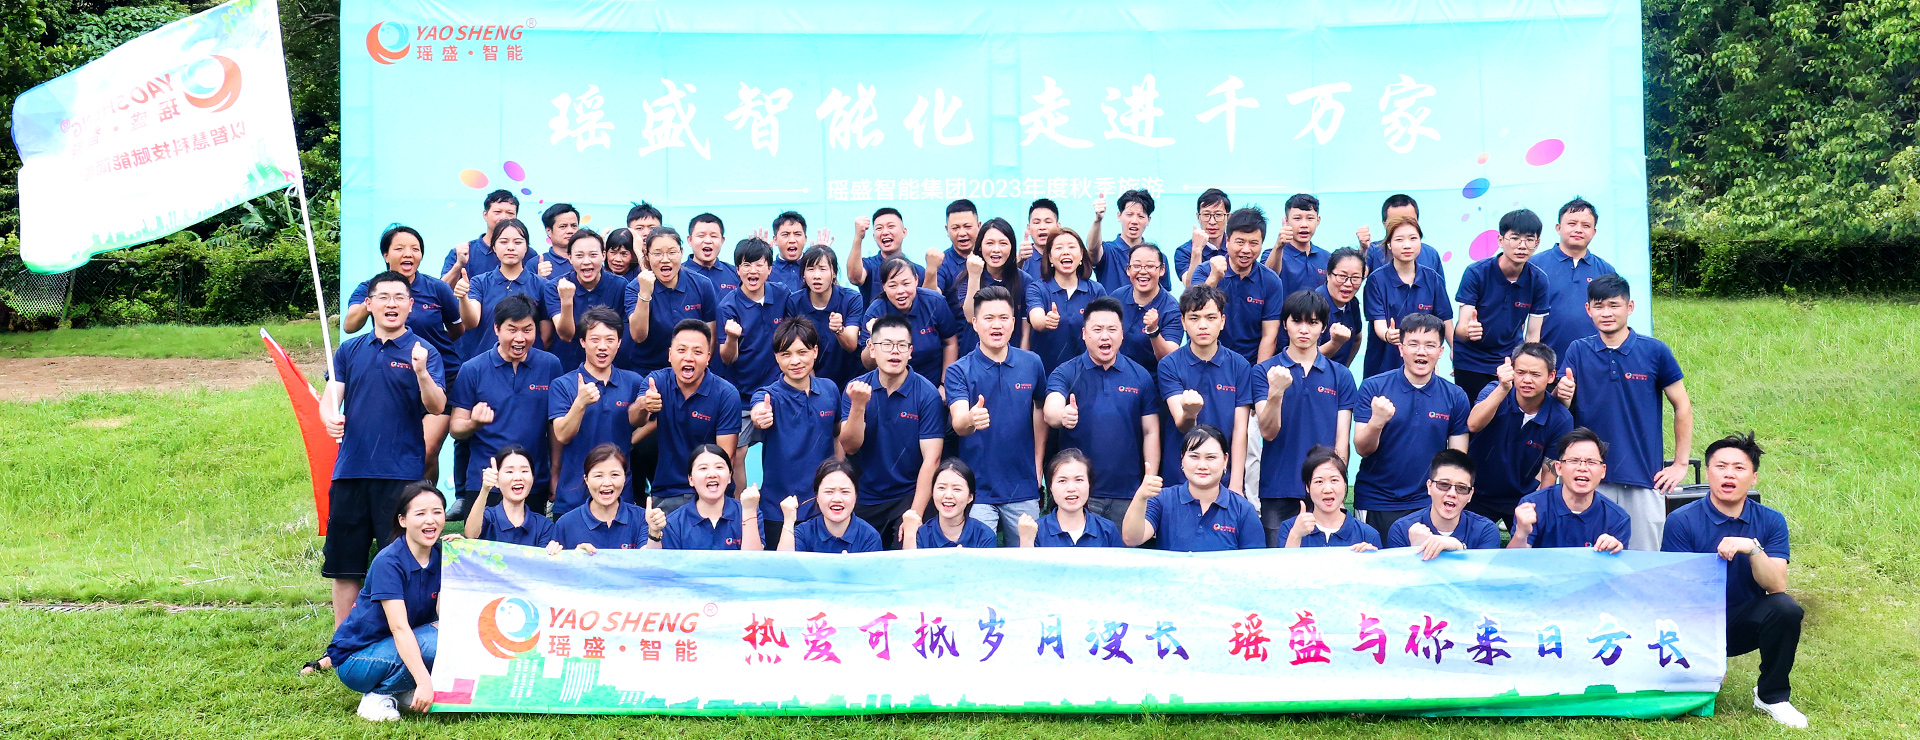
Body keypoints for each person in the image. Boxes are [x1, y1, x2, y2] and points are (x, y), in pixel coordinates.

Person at [319, 270, 446, 626]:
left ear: (411, 305)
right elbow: (330, 399)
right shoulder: (350, 350)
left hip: (400, 476)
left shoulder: (424, 351)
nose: (391, 304)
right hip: (351, 472)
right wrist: (330, 418)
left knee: (401, 560)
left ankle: (399, 634)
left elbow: (437, 405)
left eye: (399, 298)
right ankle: (342, 642)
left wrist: (421, 372)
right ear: (369, 304)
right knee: (345, 565)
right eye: (383, 297)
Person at [1661, 433, 1807, 728]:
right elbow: (1677, 591)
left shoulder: (1771, 520)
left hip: (1743, 619)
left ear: (1753, 478)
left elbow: (1776, 586)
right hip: (1695, 622)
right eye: (1721, 466)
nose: (1729, 474)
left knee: (1786, 608)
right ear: (1708, 473)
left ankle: (1772, 696)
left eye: (1739, 468)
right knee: (1682, 699)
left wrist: (1753, 549)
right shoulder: (1681, 521)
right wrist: (1712, 654)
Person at [1561, 274, 1693, 550]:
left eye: (1614, 305)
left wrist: (1680, 464)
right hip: (1590, 479)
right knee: (1589, 561)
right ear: (1588, 309)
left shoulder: (1655, 351)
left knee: (1644, 563)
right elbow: (1562, 406)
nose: (1606, 313)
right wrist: (1562, 394)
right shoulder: (1577, 350)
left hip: (1644, 478)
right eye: (1598, 306)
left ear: (1629, 307)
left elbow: (1682, 405)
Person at [345, 226, 463, 483]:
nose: (408, 254)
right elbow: (350, 325)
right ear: (386, 255)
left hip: (439, 378)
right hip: (394, 378)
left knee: (427, 451)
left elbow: (457, 329)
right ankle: (398, 502)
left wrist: (432, 353)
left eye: (415, 249)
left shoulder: (437, 289)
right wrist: (377, 298)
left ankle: (426, 502)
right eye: (399, 248)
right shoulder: (369, 289)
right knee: (396, 449)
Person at [326, 482, 445, 721]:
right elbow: (399, 628)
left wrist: (459, 555)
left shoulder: (441, 555)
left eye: (437, 512)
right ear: (403, 520)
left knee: (452, 634)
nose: (430, 520)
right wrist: (424, 681)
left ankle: (401, 689)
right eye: (420, 514)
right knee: (440, 641)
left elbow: (445, 613)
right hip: (357, 659)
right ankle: (377, 696)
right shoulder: (388, 562)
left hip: (395, 646)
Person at [1253, 290, 1359, 546]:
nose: (1304, 330)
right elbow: (1268, 432)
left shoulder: (1341, 376)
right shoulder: (1263, 371)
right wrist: (1276, 392)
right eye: (1296, 321)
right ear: (1285, 324)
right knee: (1281, 561)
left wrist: (1336, 485)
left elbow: (1342, 439)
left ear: (1323, 327)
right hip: (1278, 488)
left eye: (1312, 322)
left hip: (1325, 490)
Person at [1043, 296, 1159, 523]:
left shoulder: (1140, 376)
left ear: (1122, 334)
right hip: (1080, 494)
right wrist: (1062, 415)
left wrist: (1149, 479)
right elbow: (1050, 410)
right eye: (1097, 329)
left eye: (1112, 329)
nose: (1105, 336)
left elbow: (1150, 431)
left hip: (1129, 494)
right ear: (1084, 333)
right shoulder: (1065, 372)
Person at [946, 286, 1048, 543]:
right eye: (988, 318)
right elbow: (959, 423)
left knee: (1027, 558)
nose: (996, 325)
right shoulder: (959, 370)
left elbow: (1040, 409)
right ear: (974, 323)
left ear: (1013, 322)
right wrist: (970, 419)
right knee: (977, 560)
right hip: (977, 490)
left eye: (1003, 318)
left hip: (1023, 486)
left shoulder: (1032, 363)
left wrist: (1037, 463)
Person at [1353, 313, 1470, 533]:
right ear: (1401, 348)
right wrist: (1377, 422)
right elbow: (1362, 448)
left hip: (1428, 503)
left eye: (1430, 345)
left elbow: (1457, 460)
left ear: (1440, 351)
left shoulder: (1455, 396)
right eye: (1413, 344)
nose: (1421, 352)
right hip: (1376, 500)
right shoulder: (1373, 387)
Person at [838, 314, 947, 548]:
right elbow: (850, 446)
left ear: (911, 351)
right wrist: (858, 406)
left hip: (908, 494)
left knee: (907, 556)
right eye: (886, 344)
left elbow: (932, 459)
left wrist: (914, 515)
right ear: (872, 348)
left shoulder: (927, 394)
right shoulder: (856, 389)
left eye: (902, 345)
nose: (894, 352)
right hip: (865, 494)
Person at [449, 295, 563, 518]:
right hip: (485, 481)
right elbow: (456, 427)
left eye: (527, 330)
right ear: (496, 329)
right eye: (512, 329)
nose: (520, 338)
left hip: (532, 481)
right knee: (481, 540)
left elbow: (554, 427)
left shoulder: (550, 365)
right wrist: (473, 423)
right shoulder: (472, 369)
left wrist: (555, 472)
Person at [746, 319, 842, 546]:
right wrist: (759, 415)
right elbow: (758, 409)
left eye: (802, 352)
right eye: (786, 354)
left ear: (815, 351)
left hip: (823, 508)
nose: (795, 361)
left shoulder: (830, 389)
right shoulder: (768, 395)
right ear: (776, 358)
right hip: (778, 510)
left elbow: (837, 435)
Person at [547, 307, 645, 518]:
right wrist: (580, 403)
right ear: (582, 341)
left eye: (610, 340)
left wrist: (631, 436)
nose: (602, 346)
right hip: (573, 498)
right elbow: (562, 435)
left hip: (620, 497)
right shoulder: (563, 385)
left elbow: (645, 422)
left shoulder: (633, 382)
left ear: (619, 342)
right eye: (595, 339)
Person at [635, 320, 741, 514]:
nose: (689, 357)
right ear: (670, 355)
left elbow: (726, 459)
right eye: (681, 350)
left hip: (711, 494)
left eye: (697, 352)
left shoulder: (726, 394)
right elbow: (635, 420)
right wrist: (643, 405)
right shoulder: (656, 382)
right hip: (666, 492)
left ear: (708, 358)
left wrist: (706, 500)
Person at [1465, 343, 1574, 529]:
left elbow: (1549, 472)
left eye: (1535, 374)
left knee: (1533, 542)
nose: (1527, 380)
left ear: (1551, 376)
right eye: (1520, 372)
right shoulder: (1494, 390)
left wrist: (1542, 509)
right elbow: (1473, 424)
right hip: (1476, 492)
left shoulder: (1560, 418)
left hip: (1522, 498)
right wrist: (1502, 388)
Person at [1155, 284, 1252, 491]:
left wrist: (1236, 484)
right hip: (1179, 480)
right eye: (1194, 318)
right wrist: (1190, 413)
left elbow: (1240, 429)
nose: (1202, 325)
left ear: (1222, 321)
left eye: (1210, 317)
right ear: (1183, 322)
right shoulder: (1169, 365)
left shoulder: (1240, 366)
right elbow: (1182, 424)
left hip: (1223, 480)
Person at [1453, 209, 1553, 400]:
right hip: (1470, 361)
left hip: (1508, 361)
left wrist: (1527, 369)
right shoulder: (1476, 273)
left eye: (1529, 239)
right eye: (1515, 238)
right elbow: (1461, 328)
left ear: (1537, 243)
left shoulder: (1539, 280)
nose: (1522, 245)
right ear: (1501, 240)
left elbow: (1532, 336)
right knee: (1472, 414)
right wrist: (1469, 330)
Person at [1121, 425, 1263, 551]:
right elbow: (1131, 539)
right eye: (1194, 456)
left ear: (1225, 460)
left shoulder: (1243, 509)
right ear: (1182, 458)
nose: (1202, 466)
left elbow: (1254, 562)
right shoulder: (1163, 500)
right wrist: (1140, 496)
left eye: (1211, 457)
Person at [719, 237, 789, 475]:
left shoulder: (782, 295)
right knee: (737, 454)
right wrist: (732, 338)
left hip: (779, 392)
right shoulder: (728, 307)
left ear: (770, 269)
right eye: (746, 265)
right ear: (737, 270)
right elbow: (727, 358)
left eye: (759, 264)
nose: (753, 270)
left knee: (783, 450)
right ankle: (741, 499)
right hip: (742, 396)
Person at [1507, 427, 1629, 552]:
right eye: (1574, 461)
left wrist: (1612, 550)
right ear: (1558, 468)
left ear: (1603, 471)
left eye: (1591, 462)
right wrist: (1521, 534)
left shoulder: (1617, 518)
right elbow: (1514, 561)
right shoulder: (1533, 506)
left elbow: (1618, 564)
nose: (1582, 468)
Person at [1190, 206, 1284, 364]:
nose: (1246, 250)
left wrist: (1258, 373)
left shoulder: (1271, 281)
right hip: (1206, 361)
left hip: (1250, 365)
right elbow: (1193, 313)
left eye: (1254, 243)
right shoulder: (1205, 271)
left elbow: (1269, 336)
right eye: (1240, 242)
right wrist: (1213, 279)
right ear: (1227, 241)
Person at [1362, 215, 1452, 379]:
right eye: (1399, 239)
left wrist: (1456, 352)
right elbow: (1378, 324)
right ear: (1389, 244)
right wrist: (1388, 335)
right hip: (1384, 366)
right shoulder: (1376, 280)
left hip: (1423, 365)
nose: (1407, 245)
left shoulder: (1433, 279)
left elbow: (1445, 321)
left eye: (1413, 238)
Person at [624, 226, 719, 375]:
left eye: (672, 252)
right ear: (647, 256)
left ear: (681, 252)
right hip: (648, 371)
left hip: (692, 370)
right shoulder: (634, 287)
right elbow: (638, 336)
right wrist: (645, 294)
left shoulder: (702, 284)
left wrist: (695, 370)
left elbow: (710, 336)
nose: (665, 259)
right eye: (657, 253)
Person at [458, 218, 552, 359]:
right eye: (503, 242)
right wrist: (463, 298)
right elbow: (471, 322)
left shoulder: (541, 285)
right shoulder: (480, 282)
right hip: (487, 363)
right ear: (494, 247)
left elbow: (546, 336)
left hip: (529, 364)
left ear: (527, 248)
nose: (511, 247)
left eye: (518, 242)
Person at [859, 256, 960, 387]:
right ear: (883, 286)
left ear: (916, 280)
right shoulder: (875, 311)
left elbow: (950, 343)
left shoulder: (935, 301)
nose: (900, 291)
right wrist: (873, 336)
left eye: (906, 284)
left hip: (933, 384)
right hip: (891, 386)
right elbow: (868, 364)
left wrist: (944, 384)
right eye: (893, 286)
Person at [1383, 449, 1502, 557]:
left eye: (1461, 488)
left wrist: (1460, 548)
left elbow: (1483, 573)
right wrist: (1416, 550)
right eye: (1444, 485)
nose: (1452, 493)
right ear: (1429, 486)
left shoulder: (1485, 530)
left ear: (1470, 494)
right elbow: (1398, 573)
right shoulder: (1402, 529)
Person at [1536, 197, 1616, 358]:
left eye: (1586, 225)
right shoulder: (1535, 266)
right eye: (1572, 224)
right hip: (1545, 361)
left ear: (1594, 232)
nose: (1578, 230)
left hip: (1594, 360)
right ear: (1558, 228)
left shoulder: (1606, 271)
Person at [1024, 225, 1109, 373]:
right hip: (1047, 376)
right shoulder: (1037, 289)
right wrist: (1046, 321)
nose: (1066, 252)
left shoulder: (1096, 290)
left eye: (1071, 247)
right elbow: (1036, 320)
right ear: (1050, 257)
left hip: (1087, 375)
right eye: (1059, 248)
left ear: (1081, 255)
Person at [545, 229, 628, 374]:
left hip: (609, 368)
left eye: (593, 255)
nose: (586, 261)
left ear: (603, 255)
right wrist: (566, 301)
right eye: (579, 255)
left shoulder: (620, 285)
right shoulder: (555, 287)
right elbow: (566, 335)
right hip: (567, 367)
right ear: (570, 258)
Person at [784, 244, 864, 387]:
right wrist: (816, 387)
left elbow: (851, 345)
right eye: (810, 269)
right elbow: (797, 348)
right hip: (812, 381)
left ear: (834, 273)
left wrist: (839, 330)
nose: (816, 276)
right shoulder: (794, 302)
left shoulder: (851, 299)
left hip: (850, 380)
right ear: (803, 274)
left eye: (822, 269)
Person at [651, 445, 756, 550]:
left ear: (729, 476)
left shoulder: (748, 512)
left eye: (719, 467)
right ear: (691, 479)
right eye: (703, 468)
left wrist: (749, 512)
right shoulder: (674, 522)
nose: (712, 474)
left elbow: (754, 558)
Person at [550, 443, 650, 551]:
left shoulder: (641, 518)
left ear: (625, 478)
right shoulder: (566, 524)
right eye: (598, 476)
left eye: (615, 475)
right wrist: (577, 557)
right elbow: (557, 560)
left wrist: (654, 533)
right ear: (586, 480)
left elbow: (650, 558)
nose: (607, 483)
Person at [1279, 445, 1381, 550]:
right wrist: (1296, 535)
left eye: (1334, 480)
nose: (1327, 490)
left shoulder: (1367, 534)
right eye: (1319, 481)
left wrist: (1368, 557)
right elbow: (1284, 561)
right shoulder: (1290, 528)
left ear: (1345, 485)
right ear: (1307, 487)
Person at [953, 217, 1028, 358]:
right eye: (990, 243)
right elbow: (970, 316)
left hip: (1011, 357)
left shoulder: (1023, 280)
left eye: (1003, 243)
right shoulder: (967, 276)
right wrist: (974, 276)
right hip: (974, 357)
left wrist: (1023, 359)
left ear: (1012, 247)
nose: (996, 250)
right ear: (980, 246)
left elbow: (1025, 331)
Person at [776, 459, 885, 553]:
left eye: (845, 492)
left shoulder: (869, 537)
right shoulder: (803, 533)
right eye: (829, 491)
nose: (837, 499)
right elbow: (785, 566)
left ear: (856, 496)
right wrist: (788, 521)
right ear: (817, 497)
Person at [1023, 448, 1124, 548]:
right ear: (1050, 487)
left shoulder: (1107, 530)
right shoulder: (1036, 530)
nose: (1071, 488)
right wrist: (1026, 541)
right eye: (1062, 481)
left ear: (1089, 484)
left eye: (1079, 480)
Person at [461, 445, 558, 547]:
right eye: (509, 472)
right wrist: (485, 489)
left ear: (532, 479)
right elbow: (471, 535)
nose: (518, 477)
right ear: (497, 480)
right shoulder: (487, 517)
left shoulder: (544, 526)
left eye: (524, 471)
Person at [440, 189, 519, 304]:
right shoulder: (464, 251)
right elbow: (441, 293)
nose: (504, 217)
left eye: (510, 213)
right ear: (485, 215)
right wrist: (459, 265)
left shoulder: (526, 253)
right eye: (497, 212)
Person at [901, 458, 999, 548]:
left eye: (956, 489)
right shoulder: (922, 534)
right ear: (933, 493)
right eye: (941, 488)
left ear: (970, 497)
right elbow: (911, 561)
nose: (948, 495)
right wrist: (909, 535)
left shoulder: (984, 535)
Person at [1116, 243, 1182, 375]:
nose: (1142, 271)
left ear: (1162, 270)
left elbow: (1169, 358)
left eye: (1150, 266)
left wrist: (1154, 331)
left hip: (1153, 381)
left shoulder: (1172, 309)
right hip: (1116, 376)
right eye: (1136, 266)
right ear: (1128, 269)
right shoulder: (1117, 297)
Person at [1086, 188, 1169, 293]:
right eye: (1129, 215)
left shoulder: (1157, 258)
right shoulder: (1108, 251)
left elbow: (1164, 295)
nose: (1134, 221)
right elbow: (1093, 249)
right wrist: (1098, 220)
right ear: (1119, 216)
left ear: (1148, 220)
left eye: (1141, 216)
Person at [1359, 193, 1447, 286]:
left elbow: (1440, 290)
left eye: (1410, 221)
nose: (1404, 226)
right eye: (1396, 222)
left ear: (1417, 222)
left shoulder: (1431, 254)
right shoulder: (1373, 250)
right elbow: (1357, 277)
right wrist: (1363, 250)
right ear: (1384, 224)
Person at [848, 207, 923, 305]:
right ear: (874, 236)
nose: (885, 232)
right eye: (879, 228)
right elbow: (855, 278)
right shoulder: (868, 265)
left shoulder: (918, 270)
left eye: (891, 226)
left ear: (904, 232)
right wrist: (858, 237)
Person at [1262, 193, 1331, 297]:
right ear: (1286, 221)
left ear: (1318, 220)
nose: (1304, 225)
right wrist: (1278, 247)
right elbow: (1267, 280)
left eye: (1310, 218)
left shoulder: (1327, 257)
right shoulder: (1272, 254)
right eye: (1297, 218)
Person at [1317, 247, 1365, 368]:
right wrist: (1335, 343)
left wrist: (1344, 369)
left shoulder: (1353, 304)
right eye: (1342, 276)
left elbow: (1357, 339)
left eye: (1355, 278)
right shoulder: (1314, 305)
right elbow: (1306, 356)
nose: (1348, 284)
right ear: (1328, 274)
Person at [1174, 188, 1231, 288]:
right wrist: (1197, 251)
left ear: (1228, 217)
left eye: (1218, 215)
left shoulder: (1235, 247)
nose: (1212, 222)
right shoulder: (1184, 251)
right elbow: (1190, 288)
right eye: (1206, 215)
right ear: (1198, 217)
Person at [922, 199, 980, 293]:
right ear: (947, 230)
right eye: (955, 228)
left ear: (979, 226)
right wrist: (931, 270)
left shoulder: (990, 256)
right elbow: (931, 298)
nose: (962, 233)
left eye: (967, 226)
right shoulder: (942, 262)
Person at [682, 213, 740, 298]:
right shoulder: (678, 274)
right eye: (701, 236)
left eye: (713, 236)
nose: (708, 241)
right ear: (690, 240)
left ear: (722, 241)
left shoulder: (736, 273)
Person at [764, 211, 815, 293]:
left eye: (797, 234)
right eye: (785, 235)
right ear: (775, 240)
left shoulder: (814, 269)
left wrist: (823, 258)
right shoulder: (767, 270)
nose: (792, 240)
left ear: (805, 239)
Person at [534, 202, 580, 282]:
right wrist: (539, 280)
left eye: (574, 226)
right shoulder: (536, 263)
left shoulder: (588, 260)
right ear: (549, 231)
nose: (570, 231)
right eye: (563, 226)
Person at [1017, 198, 1062, 280]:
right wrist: (1019, 262)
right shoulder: (1021, 259)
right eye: (1036, 222)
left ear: (1058, 226)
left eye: (1048, 222)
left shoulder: (1066, 255)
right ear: (1029, 228)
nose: (1042, 227)